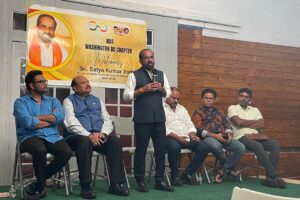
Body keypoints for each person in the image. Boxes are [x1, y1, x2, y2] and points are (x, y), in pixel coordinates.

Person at [63, 75, 129, 199]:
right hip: (76, 137)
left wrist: (102, 134)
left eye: (88, 82)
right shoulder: (68, 101)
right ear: (75, 88)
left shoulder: (97, 100)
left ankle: (115, 184)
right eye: (83, 83)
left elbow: (107, 120)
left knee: (114, 141)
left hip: (97, 137)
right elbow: (70, 123)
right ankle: (86, 185)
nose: (87, 84)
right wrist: (88, 135)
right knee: (84, 142)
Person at [13, 70, 72, 200]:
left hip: (50, 136)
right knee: (40, 149)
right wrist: (50, 121)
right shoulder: (20, 102)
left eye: (45, 81)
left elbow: (60, 117)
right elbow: (28, 123)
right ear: (32, 85)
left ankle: (39, 181)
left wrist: (37, 118)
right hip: (29, 137)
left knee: (66, 151)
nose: (45, 84)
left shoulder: (53, 101)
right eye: (41, 82)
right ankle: (41, 189)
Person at [123, 49, 173, 192]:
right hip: (142, 120)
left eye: (151, 57)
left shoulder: (161, 74)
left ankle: (159, 180)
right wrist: (142, 90)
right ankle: (140, 181)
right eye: (146, 58)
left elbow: (168, 94)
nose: (149, 60)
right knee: (141, 151)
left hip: (159, 120)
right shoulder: (134, 75)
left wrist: (162, 89)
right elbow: (126, 96)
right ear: (140, 61)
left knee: (160, 150)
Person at [227, 87, 286, 188]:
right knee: (257, 146)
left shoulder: (255, 109)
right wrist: (254, 123)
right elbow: (238, 122)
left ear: (250, 99)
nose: (244, 98)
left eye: (246, 97)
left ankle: (269, 179)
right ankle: (273, 175)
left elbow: (262, 124)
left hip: (257, 136)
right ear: (238, 97)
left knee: (275, 145)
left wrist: (244, 122)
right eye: (241, 96)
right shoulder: (232, 108)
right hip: (242, 136)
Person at [192, 88, 245, 183]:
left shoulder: (220, 112)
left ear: (214, 99)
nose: (208, 100)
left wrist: (229, 134)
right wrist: (214, 136)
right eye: (206, 98)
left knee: (240, 147)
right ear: (202, 99)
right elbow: (198, 130)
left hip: (223, 137)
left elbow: (227, 125)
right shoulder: (198, 112)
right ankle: (229, 168)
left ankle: (221, 170)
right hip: (207, 138)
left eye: (210, 98)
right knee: (216, 146)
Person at [164, 87, 210, 186]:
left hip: (186, 138)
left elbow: (190, 124)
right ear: (167, 96)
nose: (176, 101)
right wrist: (178, 138)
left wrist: (193, 135)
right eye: (173, 98)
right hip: (170, 138)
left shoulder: (182, 109)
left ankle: (187, 174)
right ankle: (174, 177)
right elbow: (162, 128)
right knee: (174, 147)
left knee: (204, 147)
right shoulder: (160, 108)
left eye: (178, 99)